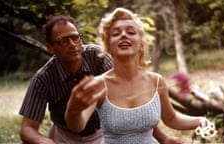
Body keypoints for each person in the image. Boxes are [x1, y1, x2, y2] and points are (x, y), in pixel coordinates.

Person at [19, 13, 182, 144]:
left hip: (100, 134)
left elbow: (131, 104)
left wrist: (163, 138)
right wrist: (45, 142)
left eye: (75, 37)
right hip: (64, 137)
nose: (72, 44)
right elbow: (27, 128)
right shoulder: (43, 78)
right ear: (50, 48)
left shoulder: (99, 57)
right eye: (63, 41)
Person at [65, 8, 209, 144]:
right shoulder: (99, 84)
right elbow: (77, 125)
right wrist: (73, 110)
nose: (123, 35)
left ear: (141, 43)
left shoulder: (156, 81)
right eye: (115, 34)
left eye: (131, 32)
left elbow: (171, 118)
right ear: (108, 45)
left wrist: (199, 120)